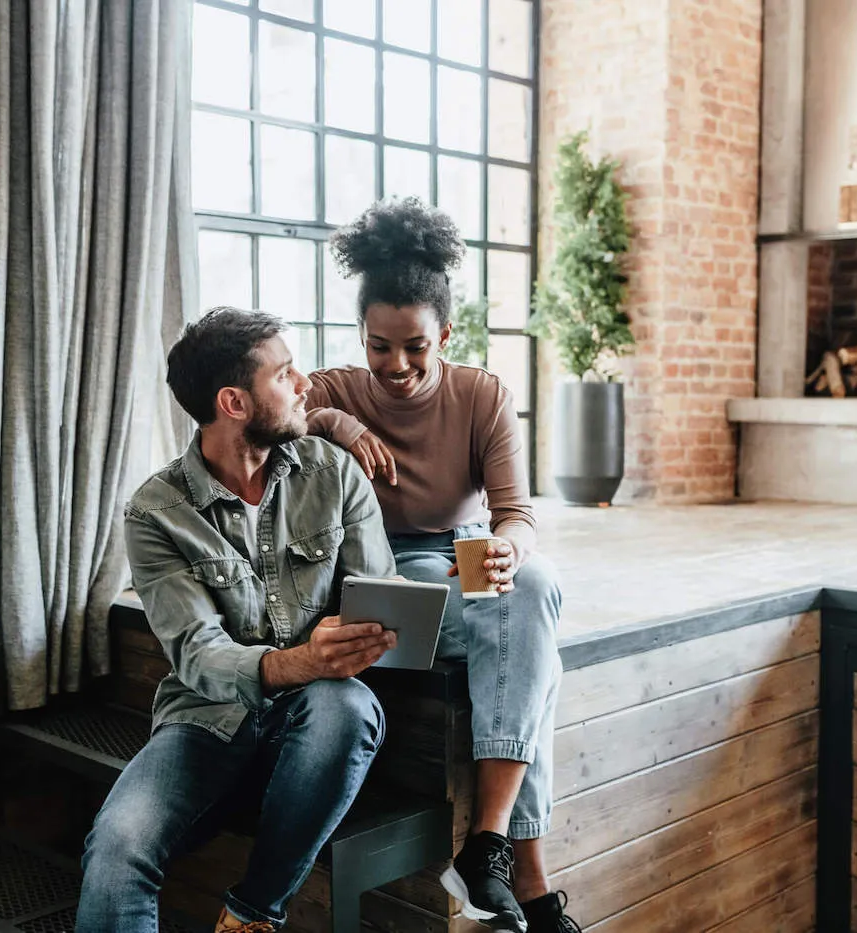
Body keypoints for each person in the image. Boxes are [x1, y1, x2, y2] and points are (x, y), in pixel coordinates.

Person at [77, 308, 399, 933]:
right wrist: (302, 659)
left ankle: (251, 915)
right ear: (234, 401)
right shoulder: (155, 512)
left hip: (316, 716)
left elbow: (379, 597)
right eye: (284, 374)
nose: (305, 383)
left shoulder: (332, 472)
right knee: (116, 847)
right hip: (207, 719)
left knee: (348, 706)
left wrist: (377, 629)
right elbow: (197, 654)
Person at [306, 198, 576, 933]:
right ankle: (530, 875)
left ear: (445, 334)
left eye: (415, 346)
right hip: (384, 570)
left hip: (463, 556)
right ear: (361, 336)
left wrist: (510, 545)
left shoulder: (481, 394)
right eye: (380, 346)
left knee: (537, 585)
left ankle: (484, 842)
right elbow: (278, 418)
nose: (396, 365)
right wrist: (338, 421)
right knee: (530, 654)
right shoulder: (334, 388)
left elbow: (517, 511)